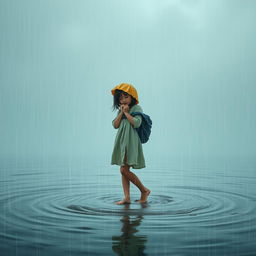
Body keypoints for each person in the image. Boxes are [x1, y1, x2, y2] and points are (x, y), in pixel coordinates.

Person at [111, 83, 151, 204]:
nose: (123, 100)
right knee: (123, 169)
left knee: (124, 170)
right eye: (120, 98)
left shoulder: (136, 109)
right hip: (122, 142)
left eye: (126, 97)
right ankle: (127, 197)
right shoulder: (121, 111)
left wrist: (127, 113)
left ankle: (144, 190)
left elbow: (137, 123)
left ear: (132, 97)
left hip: (131, 142)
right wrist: (122, 113)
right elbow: (115, 125)